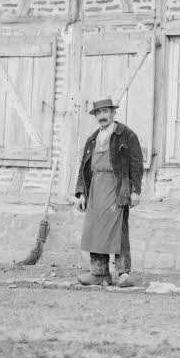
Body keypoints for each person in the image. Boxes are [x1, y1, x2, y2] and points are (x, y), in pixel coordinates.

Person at [74, 97, 143, 287]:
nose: (102, 116)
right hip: (95, 186)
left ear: (113, 113)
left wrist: (135, 190)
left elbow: (137, 164)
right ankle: (99, 273)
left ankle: (123, 274)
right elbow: (84, 168)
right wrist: (81, 193)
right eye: (98, 113)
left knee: (118, 230)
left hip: (118, 186)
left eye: (106, 112)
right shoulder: (92, 139)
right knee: (95, 230)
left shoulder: (126, 135)